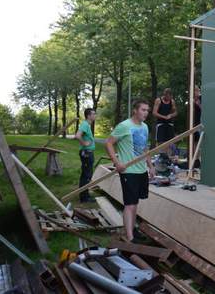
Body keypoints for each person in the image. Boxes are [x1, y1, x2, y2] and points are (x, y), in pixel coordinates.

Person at [105, 100, 155, 242]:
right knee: (130, 204)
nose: (146, 113)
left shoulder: (145, 127)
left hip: (141, 171)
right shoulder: (124, 126)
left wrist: (150, 166)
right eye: (143, 110)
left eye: (147, 110)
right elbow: (108, 143)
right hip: (128, 171)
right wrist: (117, 163)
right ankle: (130, 237)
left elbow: (145, 148)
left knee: (135, 203)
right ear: (135, 110)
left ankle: (132, 229)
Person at [75, 108, 96, 203]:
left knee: (86, 174)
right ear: (88, 116)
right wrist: (84, 143)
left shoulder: (87, 125)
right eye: (93, 114)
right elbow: (78, 135)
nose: (95, 116)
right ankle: (84, 198)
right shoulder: (84, 124)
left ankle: (85, 195)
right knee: (86, 175)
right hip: (86, 153)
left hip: (88, 152)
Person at [153, 88, 177, 155]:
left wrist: (171, 115)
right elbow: (154, 113)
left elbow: (176, 112)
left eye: (170, 97)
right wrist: (164, 117)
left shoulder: (172, 101)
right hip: (160, 124)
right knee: (160, 141)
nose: (169, 98)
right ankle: (161, 156)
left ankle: (168, 158)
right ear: (165, 95)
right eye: (168, 97)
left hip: (169, 124)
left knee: (170, 142)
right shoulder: (158, 100)